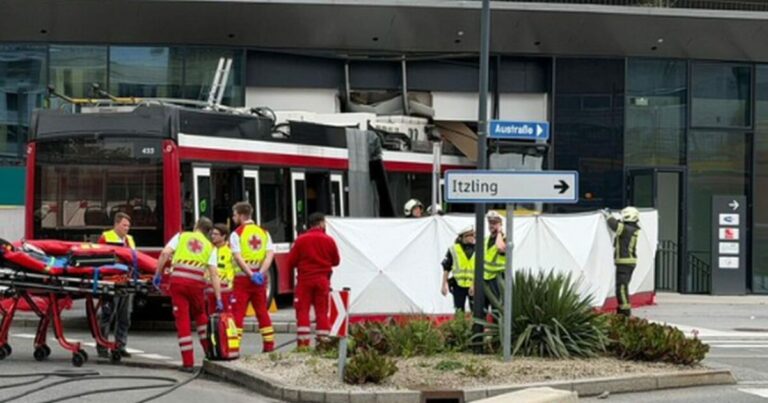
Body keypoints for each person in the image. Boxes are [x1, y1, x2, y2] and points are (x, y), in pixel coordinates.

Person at [153, 217, 222, 372]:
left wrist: (157, 274)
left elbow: (165, 254)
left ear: (196, 226)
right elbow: (214, 274)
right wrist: (218, 298)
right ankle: (209, 354)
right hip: (197, 286)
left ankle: (188, 363)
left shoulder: (181, 236)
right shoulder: (210, 247)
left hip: (178, 284)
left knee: (182, 321)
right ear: (208, 232)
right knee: (201, 317)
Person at [286, 212, 341, 351]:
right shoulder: (329, 240)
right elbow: (336, 261)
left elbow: (290, 262)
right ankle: (323, 344)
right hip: (323, 281)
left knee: (303, 312)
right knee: (322, 312)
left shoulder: (300, 240)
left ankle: (303, 346)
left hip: (304, 281)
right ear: (321, 223)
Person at [229, 202, 276, 353]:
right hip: (259, 280)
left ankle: (234, 348)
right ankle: (269, 346)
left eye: (235, 214)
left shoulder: (237, 233)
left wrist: (250, 274)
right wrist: (260, 273)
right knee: (262, 312)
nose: (233, 217)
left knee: (238, 314)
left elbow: (238, 257)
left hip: (242, 280)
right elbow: (269, 255)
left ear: (242, 215)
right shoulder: (264, 232)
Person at [96, 212, 135, 359]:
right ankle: (102, 346)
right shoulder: (106, 237)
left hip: (126, 282)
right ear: (116, 224)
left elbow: (134, 258)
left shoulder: (130, 239)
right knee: (107, 314)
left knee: (125, 316)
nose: (127, 228)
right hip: (110, 282)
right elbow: (98, 257)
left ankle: (120, 346)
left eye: (128, 226)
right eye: (124, 225)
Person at [602, 207, 641, 317]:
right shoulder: (632, 228)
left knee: (622, 288)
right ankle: (622, 309)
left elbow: (614, 225)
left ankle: (625, 312)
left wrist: (608, 215)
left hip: (624, 262)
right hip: (627, 262)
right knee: (622, 287)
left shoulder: (627, 229)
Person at [441, 226, 475, 313]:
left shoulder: (478, 249)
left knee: (476, 311)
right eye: (469, 235)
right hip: (458, 285)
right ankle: (460, 326)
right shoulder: (453, 249)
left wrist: (474, 284)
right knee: (459, 311)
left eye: (473, 235)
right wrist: (443, 284)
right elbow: (446, 267)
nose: (472, 237)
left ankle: (476, 327)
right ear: (462, 237)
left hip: (473, 285)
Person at [208, 224, 235, 314]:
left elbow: (232, 270)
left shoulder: (230, 251)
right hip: (209, 289)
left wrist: (231, 288)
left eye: (216, 234)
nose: (212, 236)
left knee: (227, 318)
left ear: (224, 236)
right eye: (212, 234)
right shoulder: (208, 249)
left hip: (225, 289)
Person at [483, 210, 507, 301]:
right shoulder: (486, 240)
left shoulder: (505, 238)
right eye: (490, 222)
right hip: (485, 277)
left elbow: (500, 248)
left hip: (498, 278)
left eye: (494, 223)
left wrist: (499, 232)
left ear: (500, 224)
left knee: (496, 306)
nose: (491, 225)